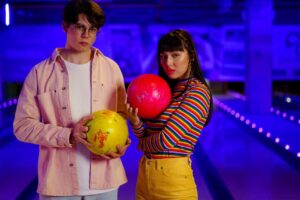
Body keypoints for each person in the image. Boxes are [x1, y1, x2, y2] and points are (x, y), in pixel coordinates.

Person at [13, 0, 130, 199]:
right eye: (79, 27)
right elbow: (22, 126)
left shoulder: (111, 69)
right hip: (58, 185)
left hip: (105, 182)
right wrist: (67, 135)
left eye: (92, 29)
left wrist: (120, 143)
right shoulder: (40, 73)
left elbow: (120, 116)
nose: (86, 35)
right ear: (65, 26)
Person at [126, 29, 213, 200]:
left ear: (191, 56)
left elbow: (166, 140)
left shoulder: (197, 92)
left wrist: (142, 144)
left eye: (175, 55)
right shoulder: (163, 90)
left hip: (173, 182)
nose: (168, 62)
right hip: (145, 175)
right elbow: (147, 134)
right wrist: (135, 122)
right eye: (163, 56)